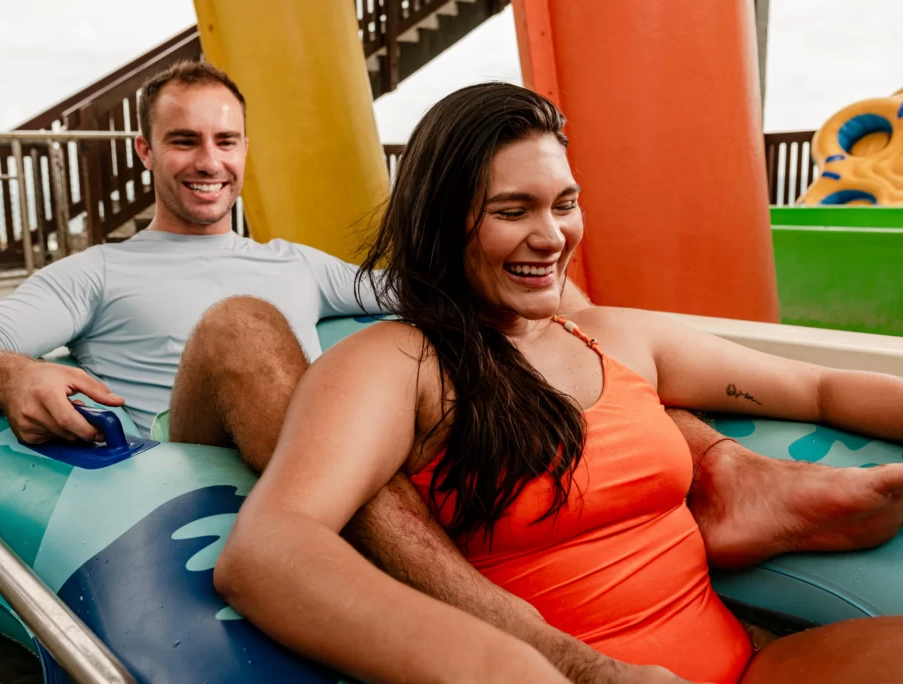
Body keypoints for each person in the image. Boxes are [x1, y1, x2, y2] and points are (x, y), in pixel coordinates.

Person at [213, 83, 903, 684]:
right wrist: (543, 668)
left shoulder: (612, 337)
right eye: (513, 211)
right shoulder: (400, 363)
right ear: (441, 221)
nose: (552, 236)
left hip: (749, 661)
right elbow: (269, 548)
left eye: (564, 204)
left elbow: (818, 388)